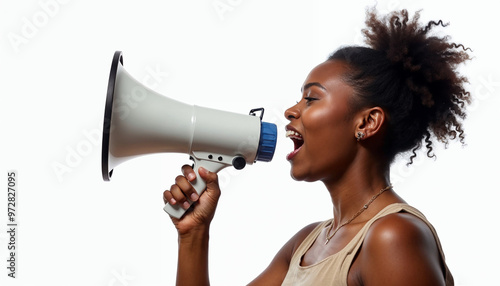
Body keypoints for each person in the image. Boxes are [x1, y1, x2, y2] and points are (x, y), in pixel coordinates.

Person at [163, 7, 471, 286]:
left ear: (366, 123)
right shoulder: (305, 244)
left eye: (311, 98)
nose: (290, 111)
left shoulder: (393, 237)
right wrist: (193, 235)